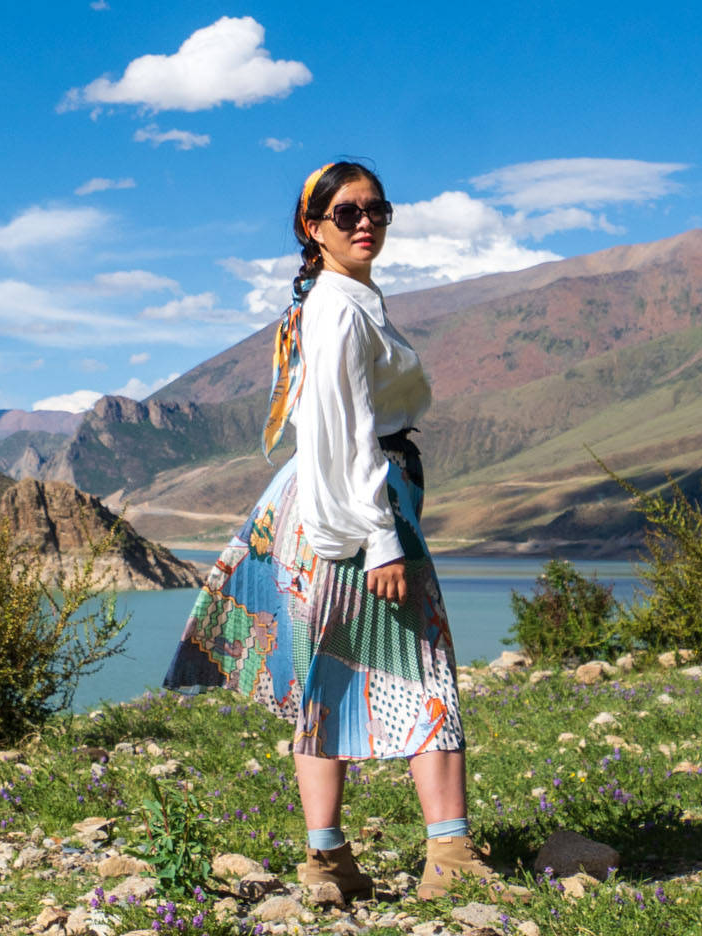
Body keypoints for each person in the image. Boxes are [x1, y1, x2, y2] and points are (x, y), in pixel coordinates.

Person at [164, 160, 487, 904]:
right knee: (424, 670)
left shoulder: (347, 298)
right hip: (353, 512)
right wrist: (380, 541)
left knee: (327, 676)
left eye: (377, 209)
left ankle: (328, 862)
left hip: (326, 509)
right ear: (314, 228)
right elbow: (339, 432)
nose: (366, 221)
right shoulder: (340, 308)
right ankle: (450, 857)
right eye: (346, 213)